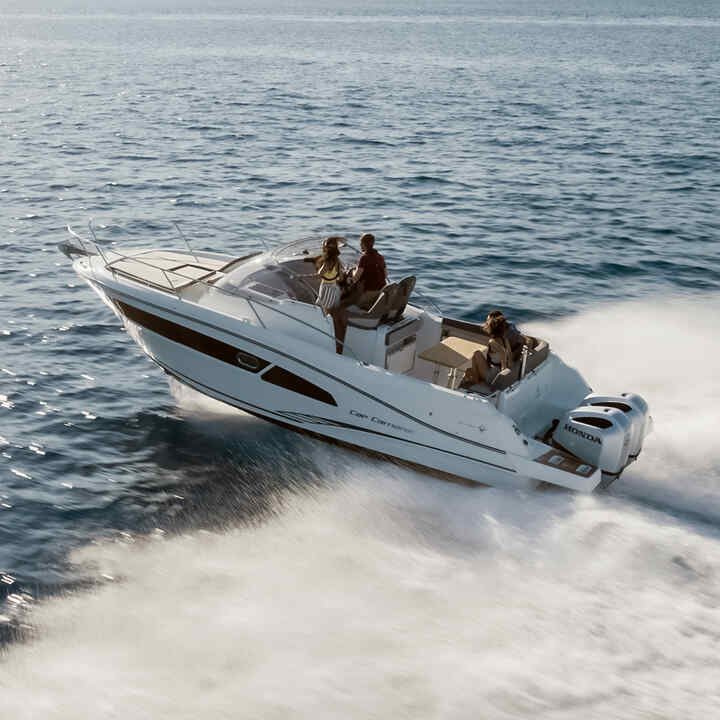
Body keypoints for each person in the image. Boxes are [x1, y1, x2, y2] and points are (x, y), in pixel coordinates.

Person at [459, 313, 513, 388]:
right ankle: (475, 378)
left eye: (487, 323)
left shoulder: (492, 342)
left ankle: (475, 380)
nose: (485, 325)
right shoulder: (504, 339)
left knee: (476, 353)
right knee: (468, 370)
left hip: (492, 377)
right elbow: (509, 354)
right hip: (494, 371)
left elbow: (503, 352)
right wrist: (509, 369)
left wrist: (501, 377)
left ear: (492, 328)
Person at [342, 232, 387, 310]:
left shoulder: (364, 258)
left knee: (347, 281)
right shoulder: (381, 257)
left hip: (369, 293)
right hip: (380, 291)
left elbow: (355, 278)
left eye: (360, 243)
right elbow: (385, 275)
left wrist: (351, 273)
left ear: (363, 244)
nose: (360, 245)